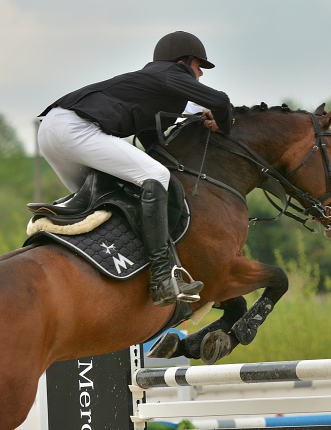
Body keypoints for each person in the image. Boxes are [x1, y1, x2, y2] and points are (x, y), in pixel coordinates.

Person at [31, 31, 233, 307]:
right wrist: (223, 121)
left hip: (51, 132)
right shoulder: (171, 73)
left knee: (111, 200)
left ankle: (107, 270)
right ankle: (163, 278)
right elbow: (220, 101)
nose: (200, 74)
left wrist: (200, 116)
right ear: (184, 61)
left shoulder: (154, 88)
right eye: (199, 67)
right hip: (75, 129)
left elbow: (153, 142)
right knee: (157, 176)